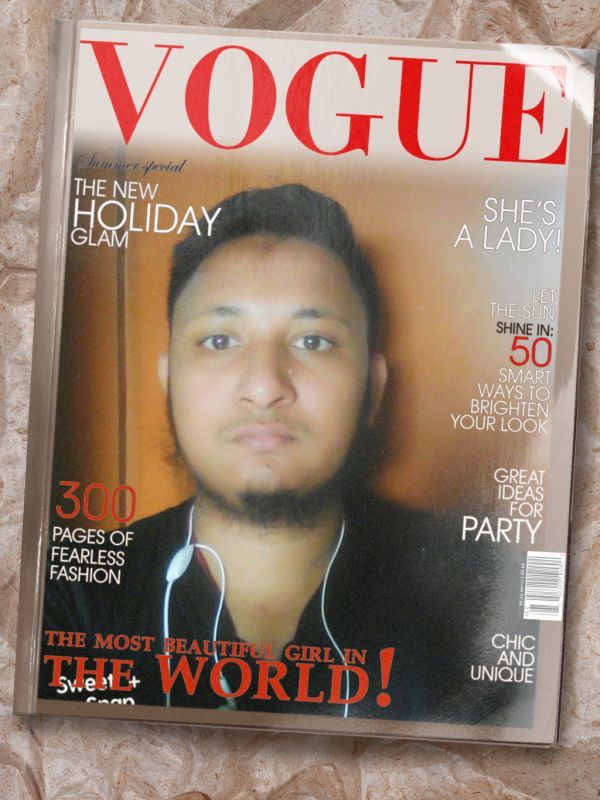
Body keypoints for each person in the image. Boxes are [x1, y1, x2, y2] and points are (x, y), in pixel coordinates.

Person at [40, 184, 533, 724]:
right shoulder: (67, 596)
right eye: (220, 340)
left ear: (372, 391)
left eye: (313, 341)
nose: (264, 386)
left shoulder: (493, 595)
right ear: (169, 384)